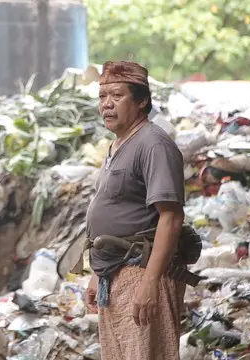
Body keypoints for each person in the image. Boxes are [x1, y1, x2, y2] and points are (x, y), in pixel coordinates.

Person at [83, 61, 189, 360]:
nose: (107, 104)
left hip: (141, 270)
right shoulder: (119, 143)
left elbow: (171, 216)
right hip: (115, 273)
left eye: (116, 95)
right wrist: (98, 273)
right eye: (103, 97)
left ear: (142, 100)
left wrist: (150, 281)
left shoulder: (154, 144)